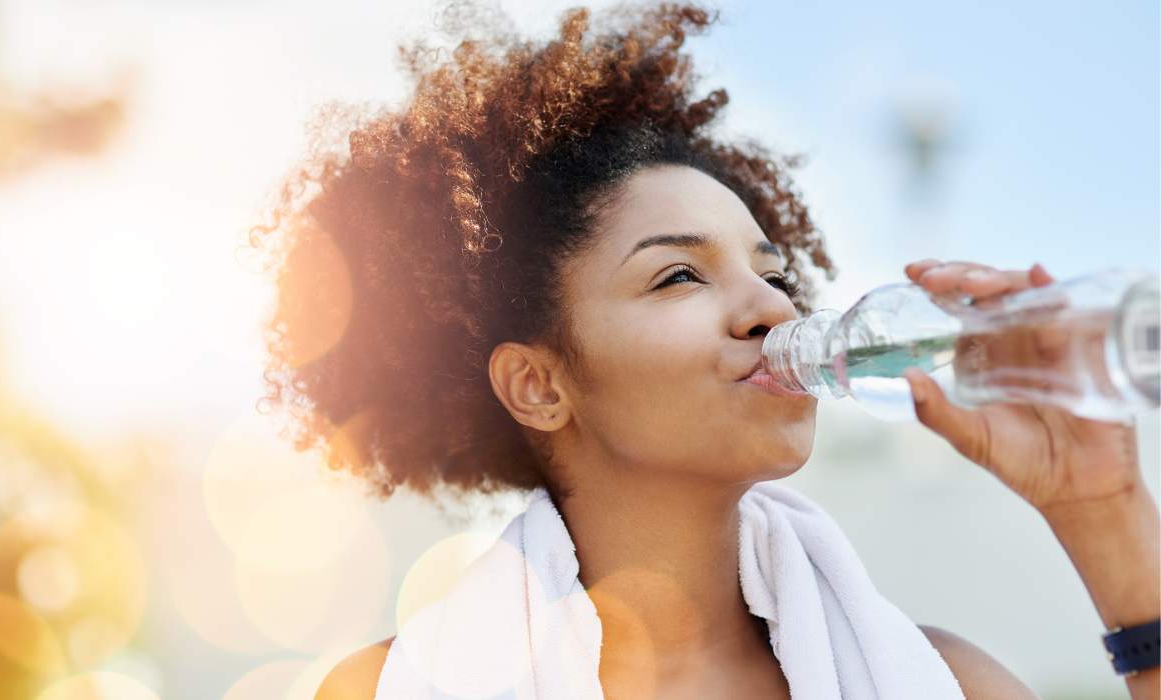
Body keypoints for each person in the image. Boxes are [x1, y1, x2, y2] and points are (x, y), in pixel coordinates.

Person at [250, 3, 1160, 698]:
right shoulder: (393, 687)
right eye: (679, 276)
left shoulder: (943, 681)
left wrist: (1104, 511)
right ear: (537, 384)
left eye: (772, 273)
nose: (768, 306)